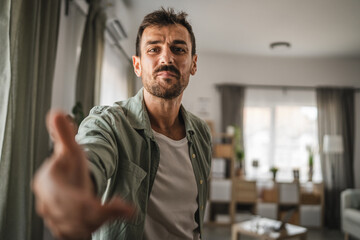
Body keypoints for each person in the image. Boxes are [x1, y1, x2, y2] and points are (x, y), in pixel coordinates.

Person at [32, 7, 212, 240]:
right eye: (153, 49)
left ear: (193, 64)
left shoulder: (201, 133)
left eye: (178, 49)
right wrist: (76, 183)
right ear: (137, 65)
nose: (166, 58)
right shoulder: (110, 122)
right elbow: (92, 152)